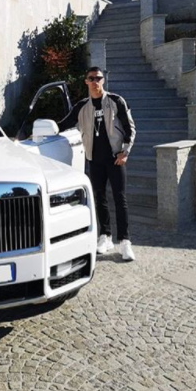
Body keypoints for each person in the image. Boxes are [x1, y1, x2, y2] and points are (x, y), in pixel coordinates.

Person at [59, 67, 136, 261]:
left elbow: (129, 128)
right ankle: (105, 236)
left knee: (120, 198)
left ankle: (125, 241)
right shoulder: (81, 106)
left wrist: (125, 151)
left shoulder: (116, 101)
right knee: (99, 197)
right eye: (91, 78)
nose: (95, 82)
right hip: (94, 159)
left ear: (103, 80)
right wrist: (41, 130)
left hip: (115, 158)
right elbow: (64, 124)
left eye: (98, 78)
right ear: (86, 81)